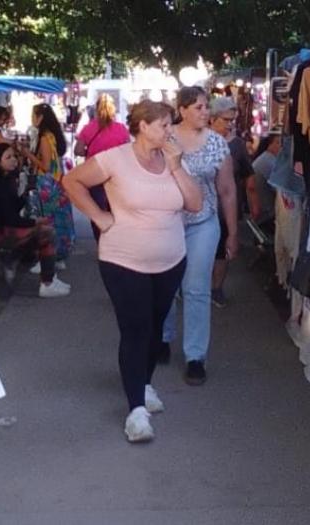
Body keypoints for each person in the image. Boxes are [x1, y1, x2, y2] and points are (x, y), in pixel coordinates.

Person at [63, 100, 202, 443]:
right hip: (123, 259)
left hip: (170, 259)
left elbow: (196, 204)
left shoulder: (172, 160)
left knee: (156, 330)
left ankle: (144, 383)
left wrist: (177, 167)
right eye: (164, 125)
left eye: (171, 125)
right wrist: (98, 216)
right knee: (136, 328)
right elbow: (72, 181)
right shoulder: (116, 158)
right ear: (143, 126)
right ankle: (135, 411)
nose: (170, 131)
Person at [160, 86, 237, 385]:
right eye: (199, 107)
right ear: (182, 110)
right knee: (165, 282)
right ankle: (163, 337)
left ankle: (195, 356)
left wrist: (231, 232)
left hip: (203, 222)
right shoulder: (164, 138)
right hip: (168, 221)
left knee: (195, 287)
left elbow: (227, 190)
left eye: (206, 107)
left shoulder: (218, 143)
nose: (205, 112)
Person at [0, 143, 70, 298]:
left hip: (5, 227)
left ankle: (47, 277)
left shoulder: (6, 179)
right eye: (8, 157)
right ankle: (47, 282)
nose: (14, 160)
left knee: (44, 231)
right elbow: (9, 217)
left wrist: (27, 192)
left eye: (14, 156)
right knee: (47, 233)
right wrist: (35, 222)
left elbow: (12, 208)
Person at [207, 97, 252, 308]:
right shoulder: (198, 142)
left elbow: (247, 176)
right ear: (212, 119)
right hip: (200, 209)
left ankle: (216, 289)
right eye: (226, 120)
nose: (230, 124)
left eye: (233, 120)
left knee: (222, 252)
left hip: (225, 209)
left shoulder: (237, 145)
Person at [20, 103, 75, 263]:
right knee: (57, 219)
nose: (32, 119)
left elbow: (45, 165)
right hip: (55, 182)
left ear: (40, 117)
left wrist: (27, 154)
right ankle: (57, 256)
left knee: (47, 220)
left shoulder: (44, 137)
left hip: (46, 184)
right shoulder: (52, 135)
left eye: (33, 115)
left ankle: (48, 257)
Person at [74, 94, 131, 240]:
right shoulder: (121, 128)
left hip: (94, 175)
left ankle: (101, 243)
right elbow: (128, 151)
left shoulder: (88, 128)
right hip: (117, 176)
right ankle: (116, 241)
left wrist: (92, 151)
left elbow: (78, 151)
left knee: (97, 211)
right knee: (118, 211)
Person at [249, 133, 281, 225]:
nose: (281, 146)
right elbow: (278, 188)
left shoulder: (266, 158)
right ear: (269, 145)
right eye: (277, 143)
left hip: (262, 209)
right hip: (267, 212)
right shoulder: (269, 161)